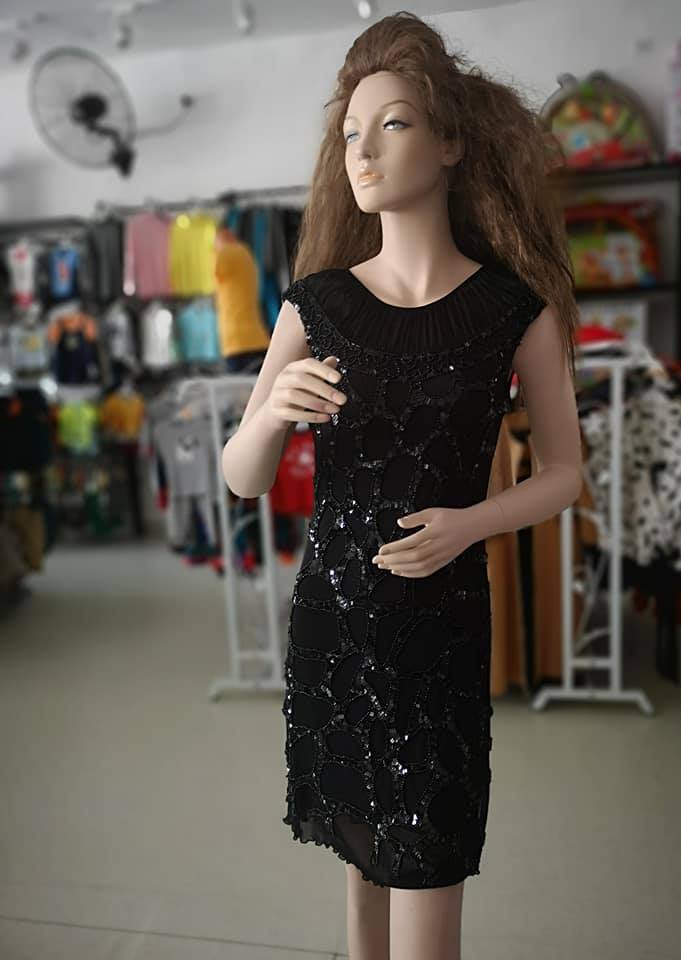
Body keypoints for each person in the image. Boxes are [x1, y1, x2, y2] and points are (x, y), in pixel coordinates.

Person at [221, 11, 583, 960]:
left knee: (427, 863)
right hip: (334, 628)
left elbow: (565, 474)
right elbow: (241, 477)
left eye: (392, 124)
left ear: (451, 141)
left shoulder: (513, 309)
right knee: (364, 882)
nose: (364, 152)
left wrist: (471, 523)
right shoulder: (319, 304)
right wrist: (268, 415)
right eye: (350, 132)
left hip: (439, 631)